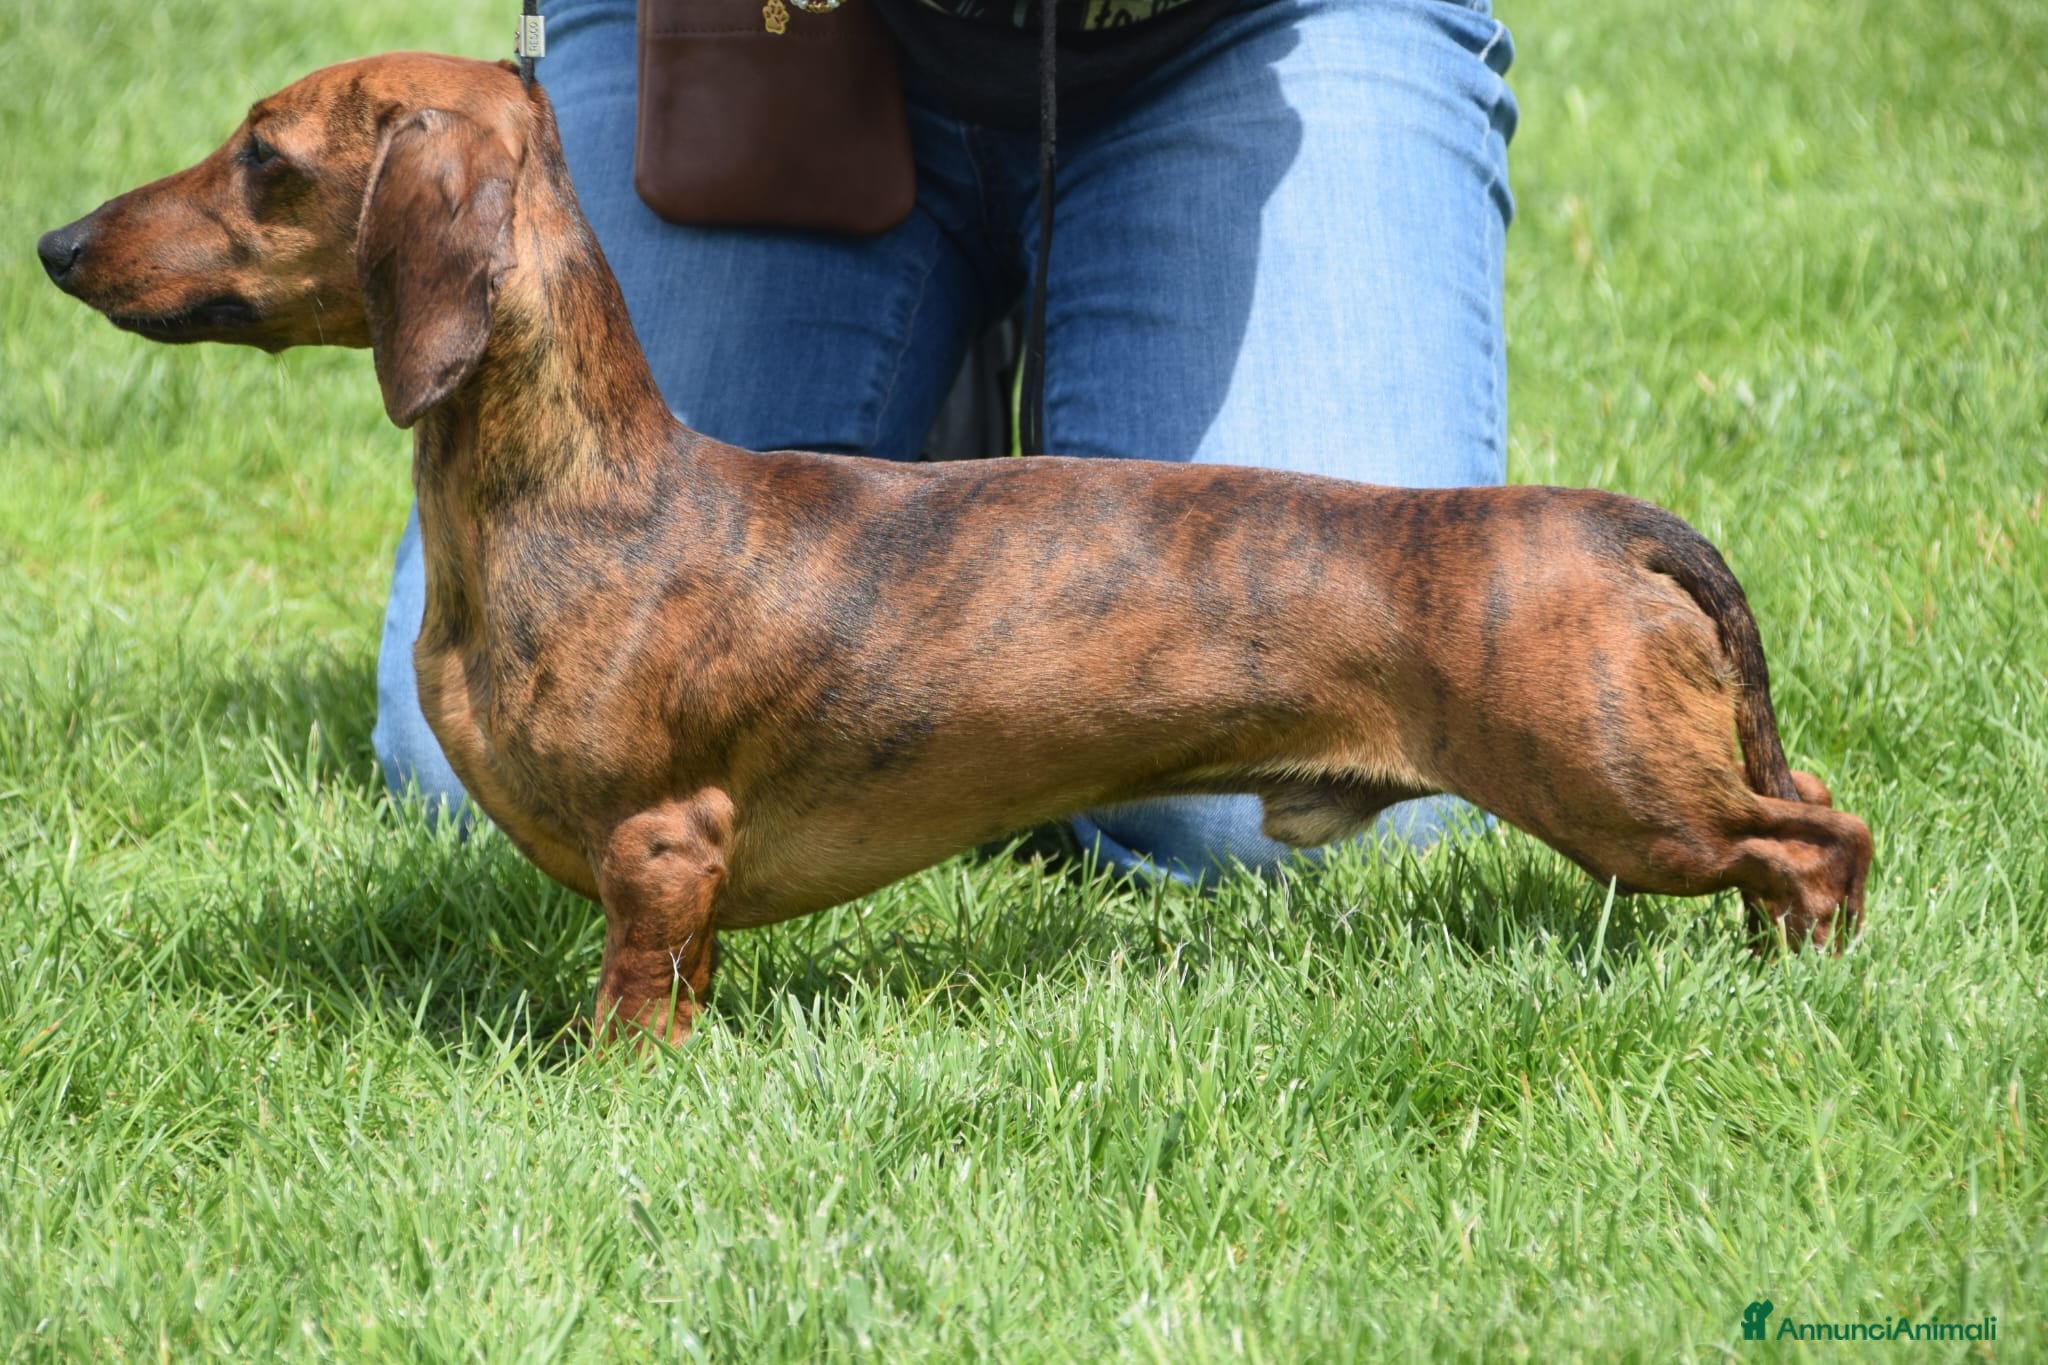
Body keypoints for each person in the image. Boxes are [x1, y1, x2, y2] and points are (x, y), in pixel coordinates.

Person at [372, 0, 1519, 883]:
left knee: (1283, 825)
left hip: (1231, 30)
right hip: (766, 35)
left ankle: (969, 419)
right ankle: (940, 432)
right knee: (508, 771)